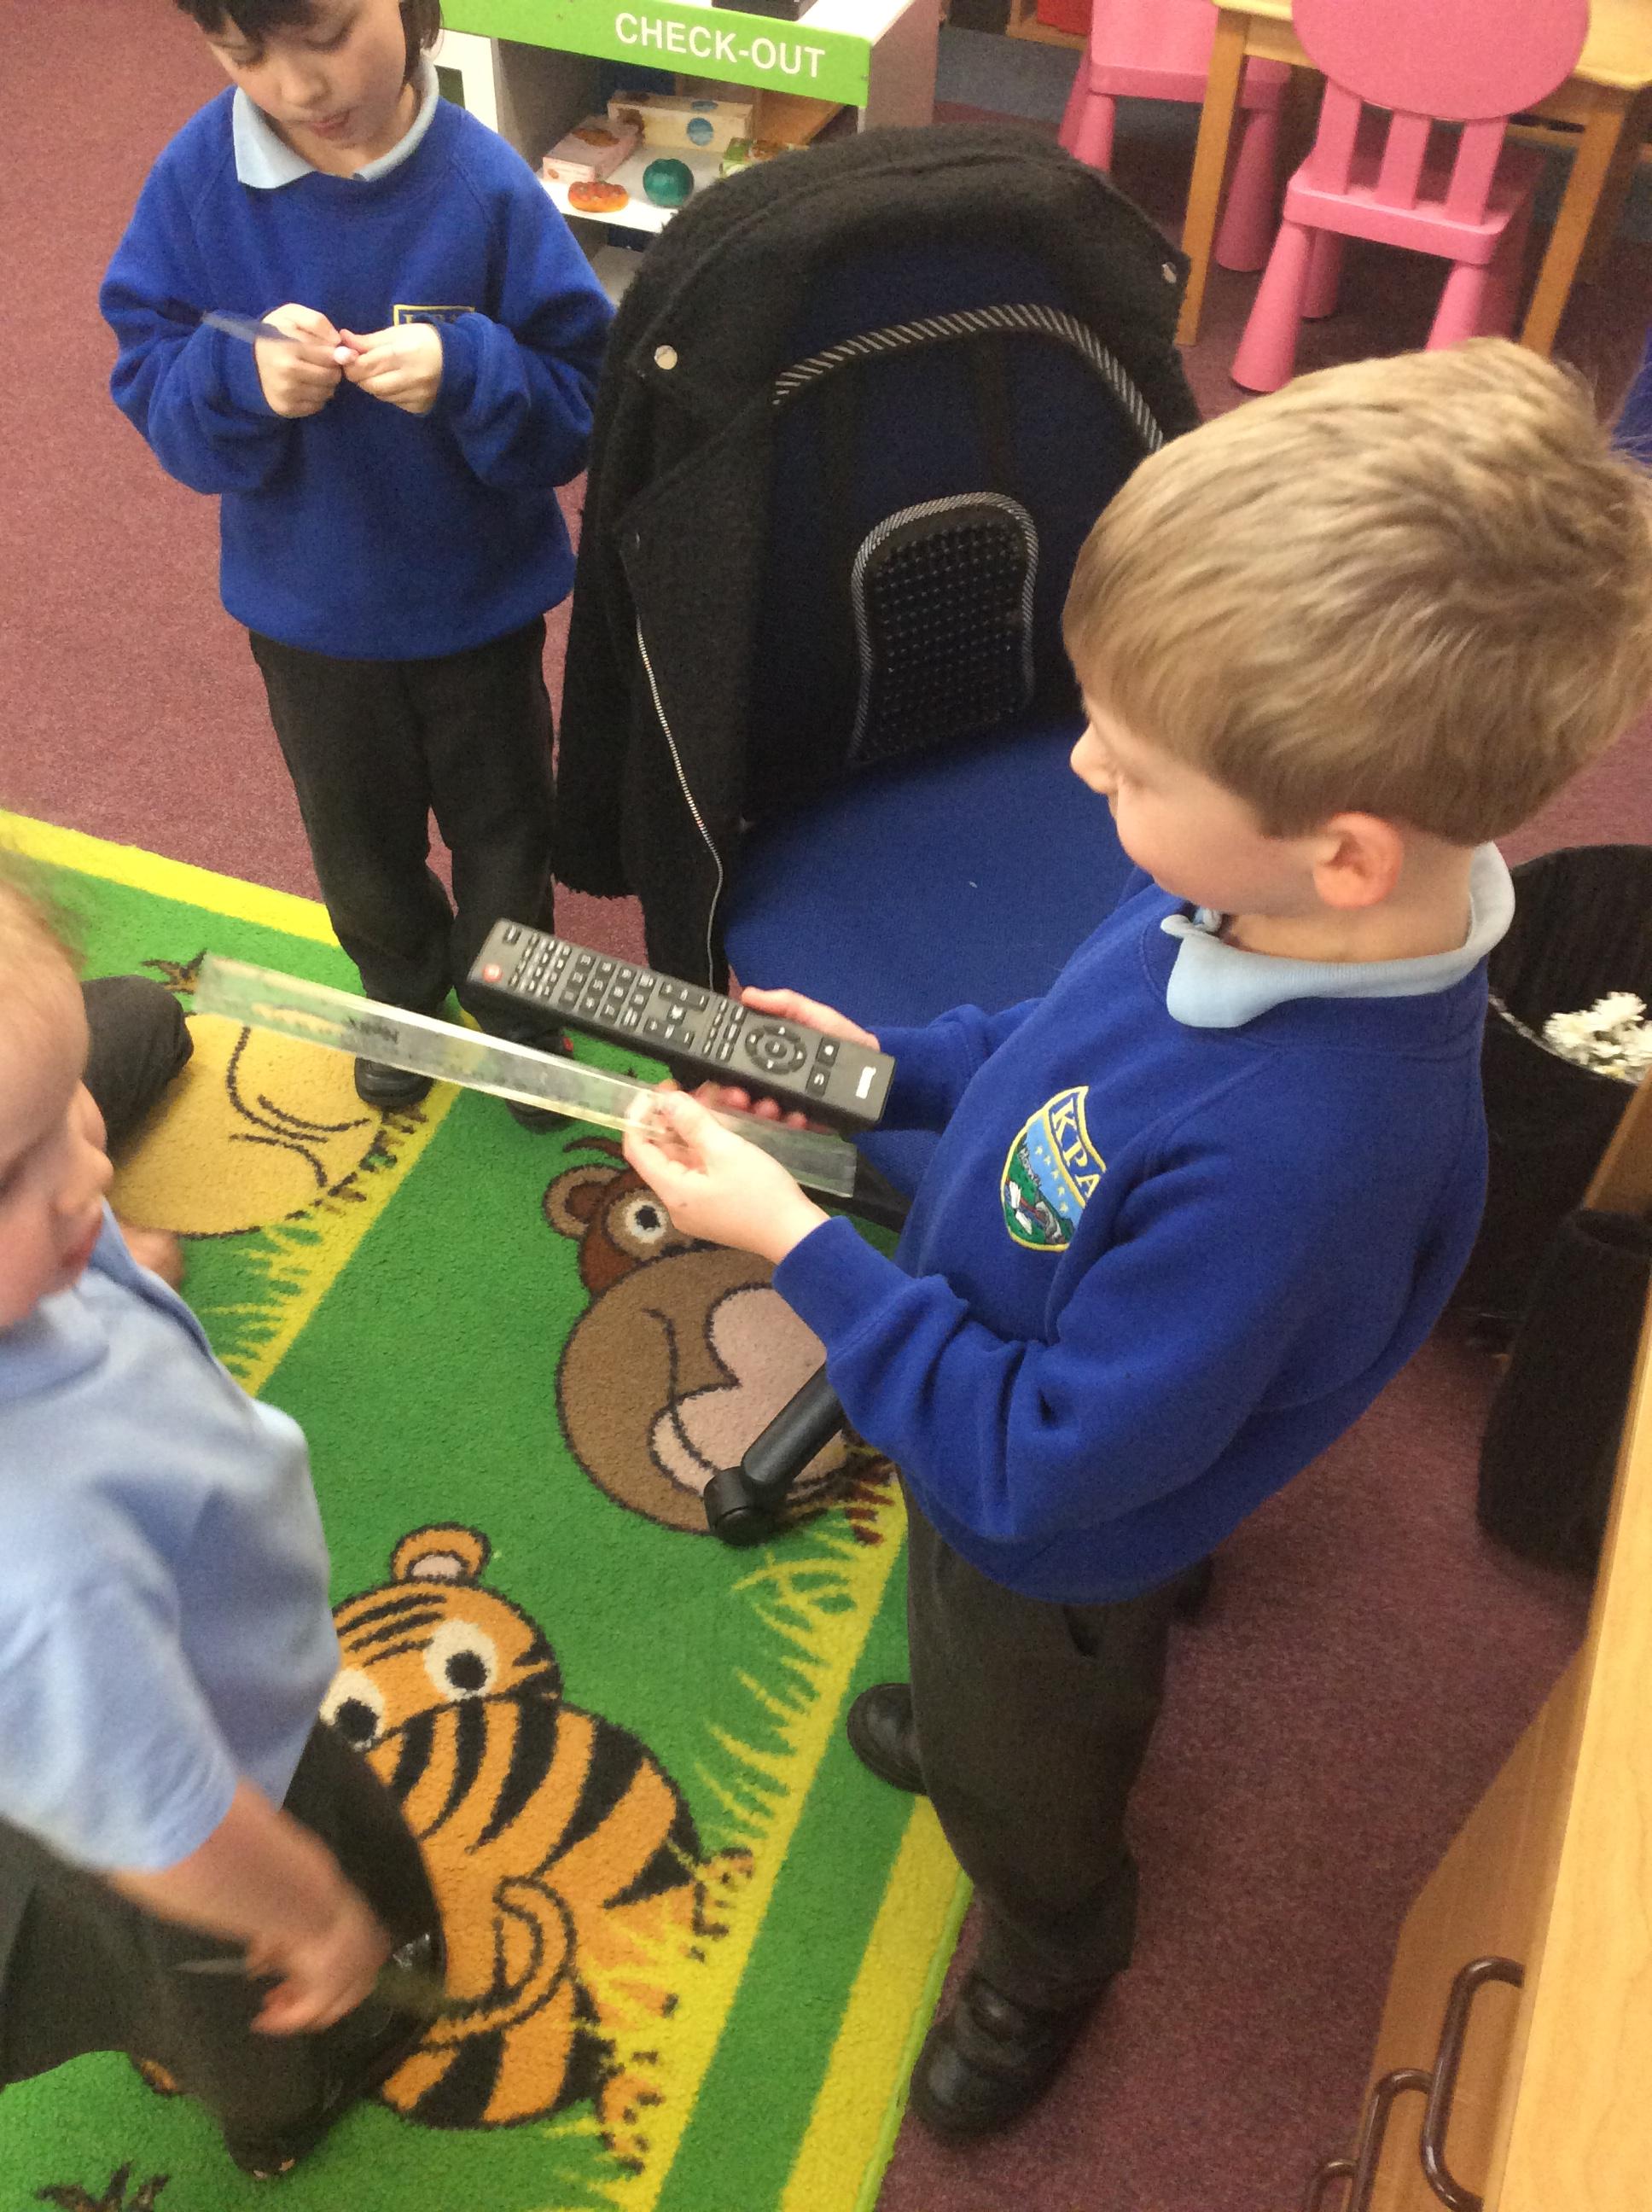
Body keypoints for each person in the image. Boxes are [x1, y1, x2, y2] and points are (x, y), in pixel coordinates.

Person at [621, 341, 1652, 2140]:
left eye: (1129, 755)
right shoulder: (1226, 893)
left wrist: (794, 1243)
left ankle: (1050, 1935)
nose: (1080, 757)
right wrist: (878, 1070)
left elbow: (1036, 1468)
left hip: (1055, 1529)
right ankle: (978, 1737)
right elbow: (1054, 1049)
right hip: (1038, 1364)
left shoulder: (1300, 1154)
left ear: (1342, 852)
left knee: (1023, 1752)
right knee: (974, 1662)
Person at [99, 0, 613, 1116]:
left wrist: (470, 370)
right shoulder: (198, 181)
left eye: (328, 36)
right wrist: (239, 375)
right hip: (310, 621)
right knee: (358, 847)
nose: (297, 87)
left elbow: (582, 404)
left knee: (508, 834)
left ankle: (520, 1018)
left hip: (479, 611)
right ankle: (403, 1002)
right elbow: (151, 374)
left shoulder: (483, 184)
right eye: (244, 54)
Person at [0, 879, 439, 2177]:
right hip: (199, 1768)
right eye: (16, 1172)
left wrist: (102, 1266)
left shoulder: (46, 1249)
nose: (91, 1167)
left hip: (184, 1673)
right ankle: (280, 2109)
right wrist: (309, 1913)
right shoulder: (48, 1562)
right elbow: (178, 1826)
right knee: (230, 1969)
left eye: (69, 1103)